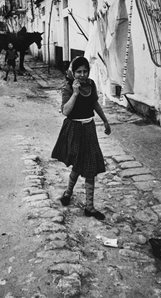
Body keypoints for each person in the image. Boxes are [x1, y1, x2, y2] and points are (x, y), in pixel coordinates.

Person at [51, 56, 111, 220]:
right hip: (74, 129)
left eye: (85, 71)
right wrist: (75, 93)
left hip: (89, 129)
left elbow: (95, 104)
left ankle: (89, 207)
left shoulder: (91, 84)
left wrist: (105, 121)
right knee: (78, 163)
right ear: (73, 72)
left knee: (90, 165)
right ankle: (68, 193)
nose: (82, 75)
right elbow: (66, 111)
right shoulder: (68, 87)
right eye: (79, 72)